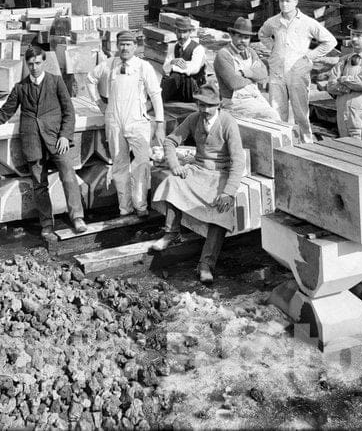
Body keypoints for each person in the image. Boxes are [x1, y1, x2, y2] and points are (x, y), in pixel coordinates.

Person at [0, 46, 86, 240]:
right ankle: (46, 224)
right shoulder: (20, 88)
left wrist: (65, 136)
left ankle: (77, 217)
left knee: (68, 174)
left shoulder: (56, 82)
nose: (34, 67)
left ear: (44, 62)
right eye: (30, 64)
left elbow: (69, 112)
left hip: (57, 140)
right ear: (26, 64)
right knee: (39, 184)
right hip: (32, 142)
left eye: (37, 63)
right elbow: (4, 113)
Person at [149, 82, 245, 285]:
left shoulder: (228, 123)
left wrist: (229, 191)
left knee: (222, 210)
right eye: (201, 105)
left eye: (209, 106)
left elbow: (239, 161)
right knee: (173, 182)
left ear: (218, 105)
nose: (205, 110)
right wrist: (175, 165)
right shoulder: (194, 119)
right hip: (198, 169)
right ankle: (171, 233)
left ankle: (206, 264)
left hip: (221, 173)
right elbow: (170, 141)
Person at [86, 30, 165, 217]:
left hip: (137, 121)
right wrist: (99, 103)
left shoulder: (143, 67)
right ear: (117, 46)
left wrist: (160, 123)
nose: (125, 48)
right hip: (114, 121)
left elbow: (155, 94)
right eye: (121, 44)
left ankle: (141, 205)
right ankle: (124, 207)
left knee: (142, 162)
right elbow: (90, 79)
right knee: (119, 165)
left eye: (129, 44)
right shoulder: (109, 64)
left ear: (136, 47)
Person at [258, 0, 337, 143]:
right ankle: (280, 144)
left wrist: (310, 56)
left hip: (298, 71)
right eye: (281, 2)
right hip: (277, 71)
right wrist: (273, 47)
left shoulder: (307, 23)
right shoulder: (273, 22)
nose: (284, 5)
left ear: (296, 1)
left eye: (287, 1)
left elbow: (330, 41)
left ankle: (306, 144)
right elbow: (262, 34)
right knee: (277, 109)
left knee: (300, 111)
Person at [326, 14, 362, 138]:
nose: (354, 39)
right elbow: (331, 86)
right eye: (352, 34)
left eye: (358, 35)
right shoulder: (344, 60)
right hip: (342, 119)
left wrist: (343, 80)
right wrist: (350, 87)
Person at [213, 17, 282, 121]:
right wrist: (254, 77)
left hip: (255, 96)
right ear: (232, 35)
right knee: (271, 116)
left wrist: (244, 73)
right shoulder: (224, 54)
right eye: (239, 37)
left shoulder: (251, 52)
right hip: (234, 102)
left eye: (246, 38)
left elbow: (263, 74)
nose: (242, 41)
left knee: (276, 115)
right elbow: (233, 83)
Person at [160, 16, 207, 102]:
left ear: (190, 32)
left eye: (185, 32)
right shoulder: (173, 47)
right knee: (170, 78)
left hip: (193, 87)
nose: (182, 36)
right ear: (175, 32)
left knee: (176, 75)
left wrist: (173, 66)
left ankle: (159, 99)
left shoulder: (198, 48)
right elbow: (164, 69)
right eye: (179, 32)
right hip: (178, 86)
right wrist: (173, 61)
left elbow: (194, 69)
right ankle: (158, 100)